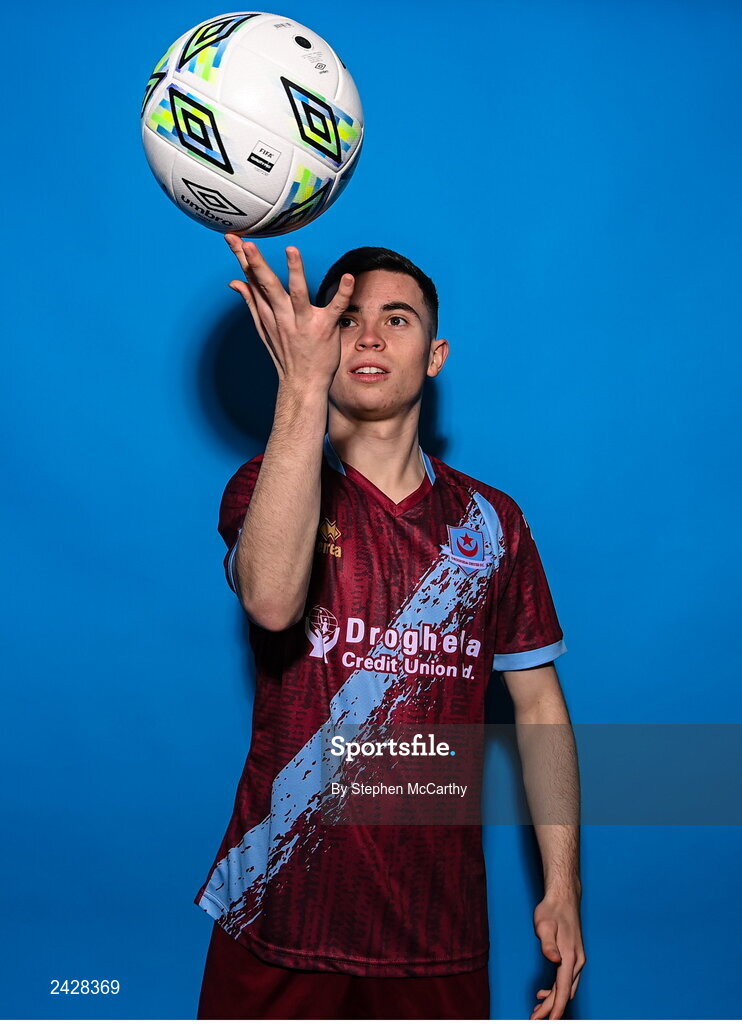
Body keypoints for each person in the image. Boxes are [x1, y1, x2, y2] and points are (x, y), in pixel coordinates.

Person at [195, 237, 586, 1020]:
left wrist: (563, 884)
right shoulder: (264, 486)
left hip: (433, 932)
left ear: (435, 354)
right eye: (347, 320)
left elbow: (539, 708)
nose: (369, 336)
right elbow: (272, 601)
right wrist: (300, 389)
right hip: (277, 916)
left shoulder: (493, 524)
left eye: (396, 319)